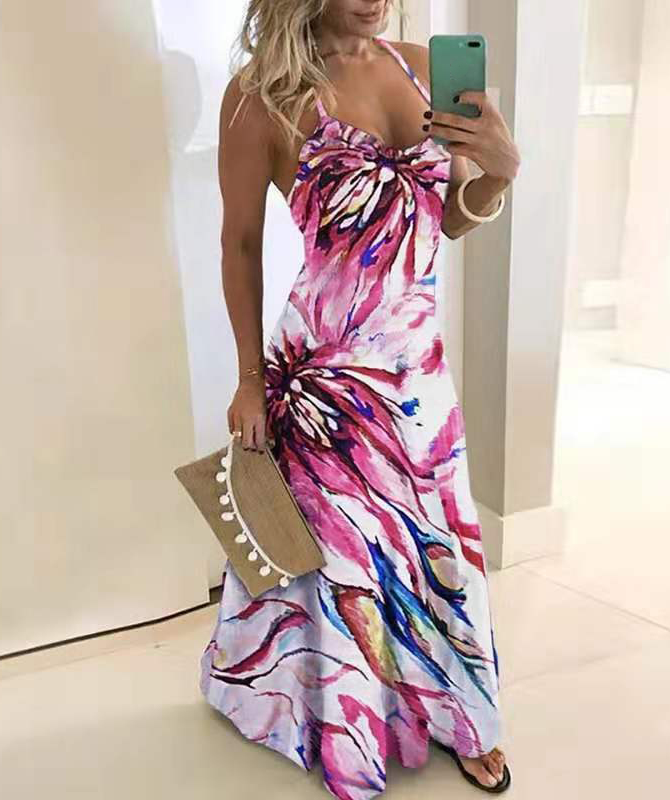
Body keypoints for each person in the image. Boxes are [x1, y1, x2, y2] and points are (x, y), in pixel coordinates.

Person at [199, 1, 521, 797]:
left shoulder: (425, 67)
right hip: (327, 372)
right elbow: (239, 242)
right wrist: (248, 379)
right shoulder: (261, 93)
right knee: (344, 557)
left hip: (418, 366)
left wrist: (499, 173)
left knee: (434, 544)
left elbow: (443, 223)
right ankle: (351, 721)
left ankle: (459, 711)